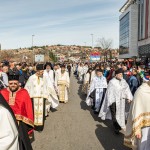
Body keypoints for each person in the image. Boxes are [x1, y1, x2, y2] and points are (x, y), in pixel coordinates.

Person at [0, 74, 33, 150]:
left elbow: (28, 108)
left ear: (18, 83)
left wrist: (29, 125)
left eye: (15, 83)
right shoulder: (2, 92)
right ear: (8, 83)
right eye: (11, 84)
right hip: (6, 122)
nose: (13, 85)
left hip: (21, 123)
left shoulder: (24, 92)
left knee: (22, 141)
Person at [99, 68, 133, 134]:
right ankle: (116, 127)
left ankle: (120, 124)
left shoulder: (124, 81)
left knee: (120, 113)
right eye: (120, 74)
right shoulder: (112, 82)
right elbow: (109, 92)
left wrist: (129, 97)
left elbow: (127, 89)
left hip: (121, 101)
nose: (121, 75)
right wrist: (110, 100)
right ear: (116, 75)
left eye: (122, 74)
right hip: (113, 101)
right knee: (114, 114)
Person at [124, 80, 150, 150]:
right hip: (143, 125)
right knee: (143, 144)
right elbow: (136, 110)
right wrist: (137, 129)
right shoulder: (141, 91)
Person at [25, 64, 49, 131]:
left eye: (43, 72)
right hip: (33, 98)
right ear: (37, 71)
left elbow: (46, 87)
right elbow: (27, 87)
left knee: (41, 112)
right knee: (34, 112)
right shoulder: (31, 78)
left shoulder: (44, 78)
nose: (42, 73)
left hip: (42, 98)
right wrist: (27, 97)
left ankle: (40, 127)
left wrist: (46, 95)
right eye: (41, 71)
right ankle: (34, 126)